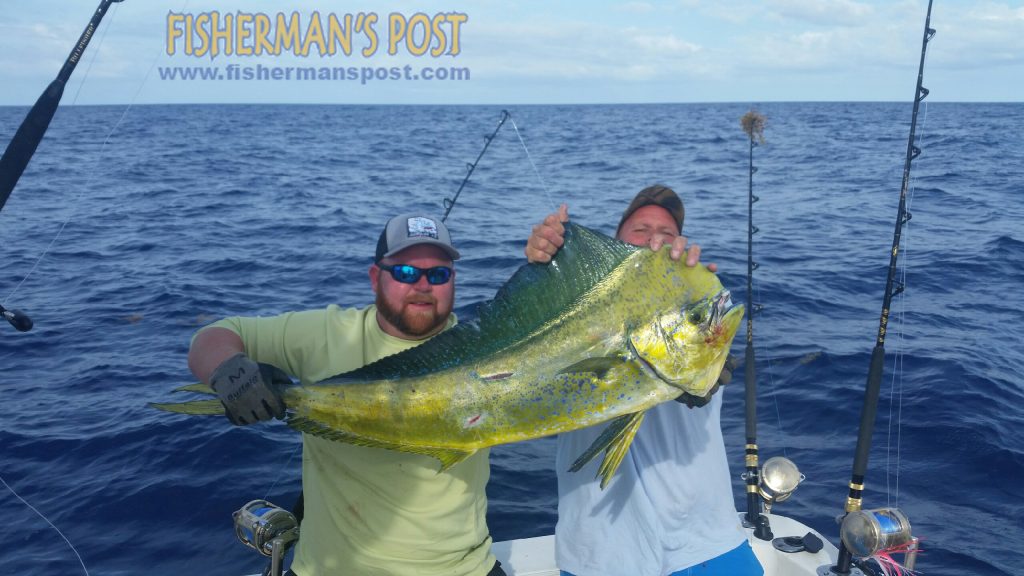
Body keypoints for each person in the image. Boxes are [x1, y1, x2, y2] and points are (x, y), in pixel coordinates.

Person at [188, 213, 504, 576]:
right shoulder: (327, 334)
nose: (422, 284)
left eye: (438, 274)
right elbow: (213, 336)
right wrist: (230, 371)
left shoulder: (488, 351)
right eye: (404, 272)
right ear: (375, 278)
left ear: (453, 281)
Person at [525, 185, 761, 576]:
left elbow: (710, 377)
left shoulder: (699, 307)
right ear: (616, 242)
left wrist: (713, 372)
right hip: (598, 550)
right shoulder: (579, 307)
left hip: (707, 543)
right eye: (640, 230)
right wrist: (546, 268)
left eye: (667, 234)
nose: (654, 239)